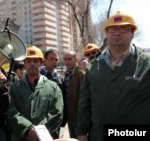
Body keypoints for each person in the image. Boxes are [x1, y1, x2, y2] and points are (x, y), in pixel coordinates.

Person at [76, 11, 150, 141]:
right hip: (98, 136)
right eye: (113, 29)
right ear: (106, 33)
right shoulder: (93, 66)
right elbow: (85, 102)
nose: (117, 32)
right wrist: (82, 132)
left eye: (124, 28)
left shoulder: (146, 63)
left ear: (133, 33)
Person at [8, 46, 63, 141]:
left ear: (42, 63)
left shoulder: (54, 87)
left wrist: (39, 132)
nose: (32, 64)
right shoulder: (14, 88)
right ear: (24, 63)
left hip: (46, 137)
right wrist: (28, 130)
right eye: (28, 61)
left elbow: (57, 113)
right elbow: (11, 111)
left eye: (36, 61)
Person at [63, 50, 85, 138]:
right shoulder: (67, 73)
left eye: (69, 59)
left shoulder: (80, 73)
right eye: (65, 59)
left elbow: (84, 97)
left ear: (76, 59)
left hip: (79, 117)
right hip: (70, 116)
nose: (67, 62)